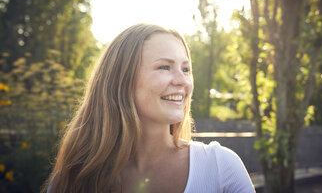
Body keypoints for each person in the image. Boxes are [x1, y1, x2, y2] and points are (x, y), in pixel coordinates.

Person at [42, 24, 255, 193]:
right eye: (164, 67)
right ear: (122, 80)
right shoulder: (73, 179)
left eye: (186, 69)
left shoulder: (220, 168)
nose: (182, 80)